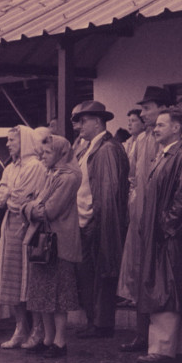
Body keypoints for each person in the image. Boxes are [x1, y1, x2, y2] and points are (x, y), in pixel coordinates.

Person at [134, 108, 182, 363]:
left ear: (176, 128)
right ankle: (178, 347)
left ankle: (163, 348)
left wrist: (165, 226)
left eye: (162, 124)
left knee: (166, 288)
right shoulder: (163, 156)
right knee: (171, 288)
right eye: (156, 125)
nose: (155, 128)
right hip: (163, 234)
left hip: (170, 236)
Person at [118, 85, 172, 353]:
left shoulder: (173, 140)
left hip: (160, 221)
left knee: (158, 278)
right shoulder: (140, 141)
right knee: (138, 275)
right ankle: (142, 334)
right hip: (139, 219)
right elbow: (133, 179)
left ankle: (162, 340)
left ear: (163, 108)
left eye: (147, 108)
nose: (143, 113)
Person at [69, 101, 129, 340]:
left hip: (96, 221)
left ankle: (101, 323)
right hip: (85, 220)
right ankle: (95, 321)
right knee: (89, 273)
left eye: (83, 121)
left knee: (100, 272)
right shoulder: (89, 148)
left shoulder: (107, 149)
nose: (79, 126)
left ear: (98, 121)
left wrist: (97, 219)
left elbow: (108, 191)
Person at [24, 134, 82, 358]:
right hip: (45, 240)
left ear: (61, 153)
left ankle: (60, 341)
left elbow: (48, 210)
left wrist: (27, 208)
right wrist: (31, 206)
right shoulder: (52, 173)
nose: (43, 156)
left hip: (59, 242)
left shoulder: (68, 177)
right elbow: (36, 203)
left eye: (48, 152)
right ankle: (48, 339)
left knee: (58, 295)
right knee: (43, 294)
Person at [0, 125, 48, 349]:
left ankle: (37, 329)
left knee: (29, 279)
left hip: (29, 227)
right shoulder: (11, 167)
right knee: (12, 279)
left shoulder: (35, 166)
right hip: (10, 226)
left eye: (12, 141)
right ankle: (20, 328)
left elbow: (17, 200)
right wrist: (9, 195)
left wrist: (9, 195)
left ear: (23, 142)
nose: (7, 144)